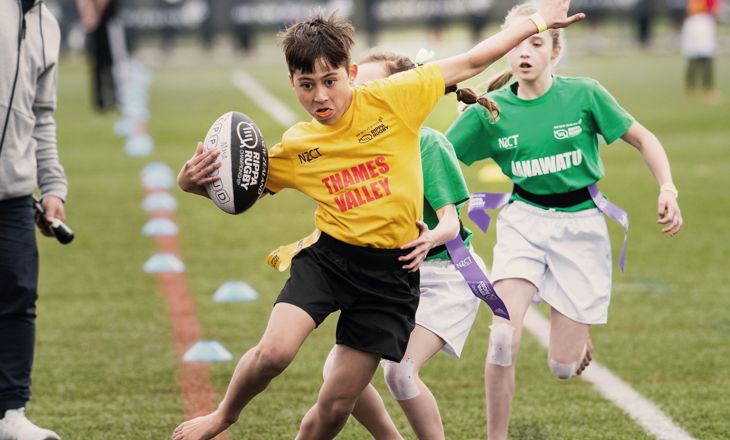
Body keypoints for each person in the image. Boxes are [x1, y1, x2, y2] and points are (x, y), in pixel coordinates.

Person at [173, 4, 584, 439]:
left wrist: (537, 23)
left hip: (389, 279)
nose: (320, 97)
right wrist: (190, 183)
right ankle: (223, 416)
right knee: (274, 353)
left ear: (350, 73)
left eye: (330, 81)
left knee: (335, 408)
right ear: (292, 82)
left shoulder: (395, 98)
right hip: (329, 261)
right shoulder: (298, 145)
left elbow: (473, 59)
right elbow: (239, 192)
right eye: (306, 85)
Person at [444, 3, 683, 440]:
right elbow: (436, 157)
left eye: (536, 42)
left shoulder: (585, 94)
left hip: (582, 227)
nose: (525, 51)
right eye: (518, 42)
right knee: (502, 338)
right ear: (507, 49)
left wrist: (668, 188)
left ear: (555, 50)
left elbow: (643, 138)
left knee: (561, 366)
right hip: (523, 222)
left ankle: (574, 329)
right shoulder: (488, 111)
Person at [315, 50, 496, 440]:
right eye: (359, 88)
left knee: (400, 371)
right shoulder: (356, 147)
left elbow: (450, 223)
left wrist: (428, 236)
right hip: (395, 278)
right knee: (337, 372)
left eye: (377, 89)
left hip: (445, 274)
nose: (364, 97)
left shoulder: (427, 144)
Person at [0, 1, 66, 439]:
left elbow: (42, 116)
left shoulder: (48, 25)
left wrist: (53, 186)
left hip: (14, 192)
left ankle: (10, 414)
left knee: (19, 295)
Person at [75, 0, 126, 112]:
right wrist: (92, 15)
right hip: (104, 24)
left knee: (106, 65)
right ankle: (108, 101)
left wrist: (90, 15)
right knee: (106, 64)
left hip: (105, 22)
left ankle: (105, 101)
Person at [681, 0, 720, 103]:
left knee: (706, 57)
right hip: (694, 20)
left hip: (704, 21)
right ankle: (691, 88)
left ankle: (708, 89)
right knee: (692, 57)